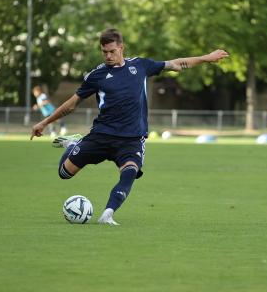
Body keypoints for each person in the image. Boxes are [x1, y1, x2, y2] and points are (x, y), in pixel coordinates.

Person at [30, 28, 229, 225]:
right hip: (101, 135)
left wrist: (206, 57)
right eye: (104, 52)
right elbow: (71, 104)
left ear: (121, 48)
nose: (108, 56)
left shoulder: (141, 66)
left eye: (112, 51)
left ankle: (108, 214)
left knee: (130, 172)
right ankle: (73, 146)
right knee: (64, 174)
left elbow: (177, 64)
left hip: (131, 139)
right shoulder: (96, 76)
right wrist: (45, 122)